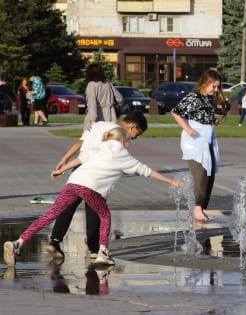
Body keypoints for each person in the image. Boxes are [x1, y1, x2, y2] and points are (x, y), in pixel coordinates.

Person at [3, 126, 182, 267]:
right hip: (90, 187)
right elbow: (147, 171)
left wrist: (61, 170)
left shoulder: (101, 148)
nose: (130, 143)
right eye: (129, 141)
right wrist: (171, 182)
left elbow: (82, 158)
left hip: (73, 182)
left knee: (51, 214)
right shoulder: (124, 156)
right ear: (123, 140)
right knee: (105, 215)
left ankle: (18, 243)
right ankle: (103, 252)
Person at [46, 111, 148, 260]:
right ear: (133, 126)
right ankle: (94, 250)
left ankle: (54, 241)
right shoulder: (119, 135)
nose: (135, 138)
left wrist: (65, 159)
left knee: (68, 205)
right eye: (138, 133)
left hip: (79, 168)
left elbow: (80, 143)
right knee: (94, 210)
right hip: (97, 173)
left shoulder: (98, 125)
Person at [171, 69, 226, 222]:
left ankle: (202, 208)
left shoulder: (208, 98)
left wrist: (212, 120)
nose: (216, 90)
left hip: (207, 138)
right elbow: (176, 113)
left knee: (210, 174)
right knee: (200, 175)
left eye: (217, 87)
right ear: (205, 83)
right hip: (195, 140)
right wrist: (187, 129)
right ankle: (196, 208)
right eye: (214, 86)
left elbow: (203, 114)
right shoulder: (193, 97)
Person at [83, 63, 123, 130]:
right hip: (111, 116)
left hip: (98, 117)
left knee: (92, 139)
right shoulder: (107, 83)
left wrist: (93, 120)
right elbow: (120, 98)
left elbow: (92, 104)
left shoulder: (91, 85)